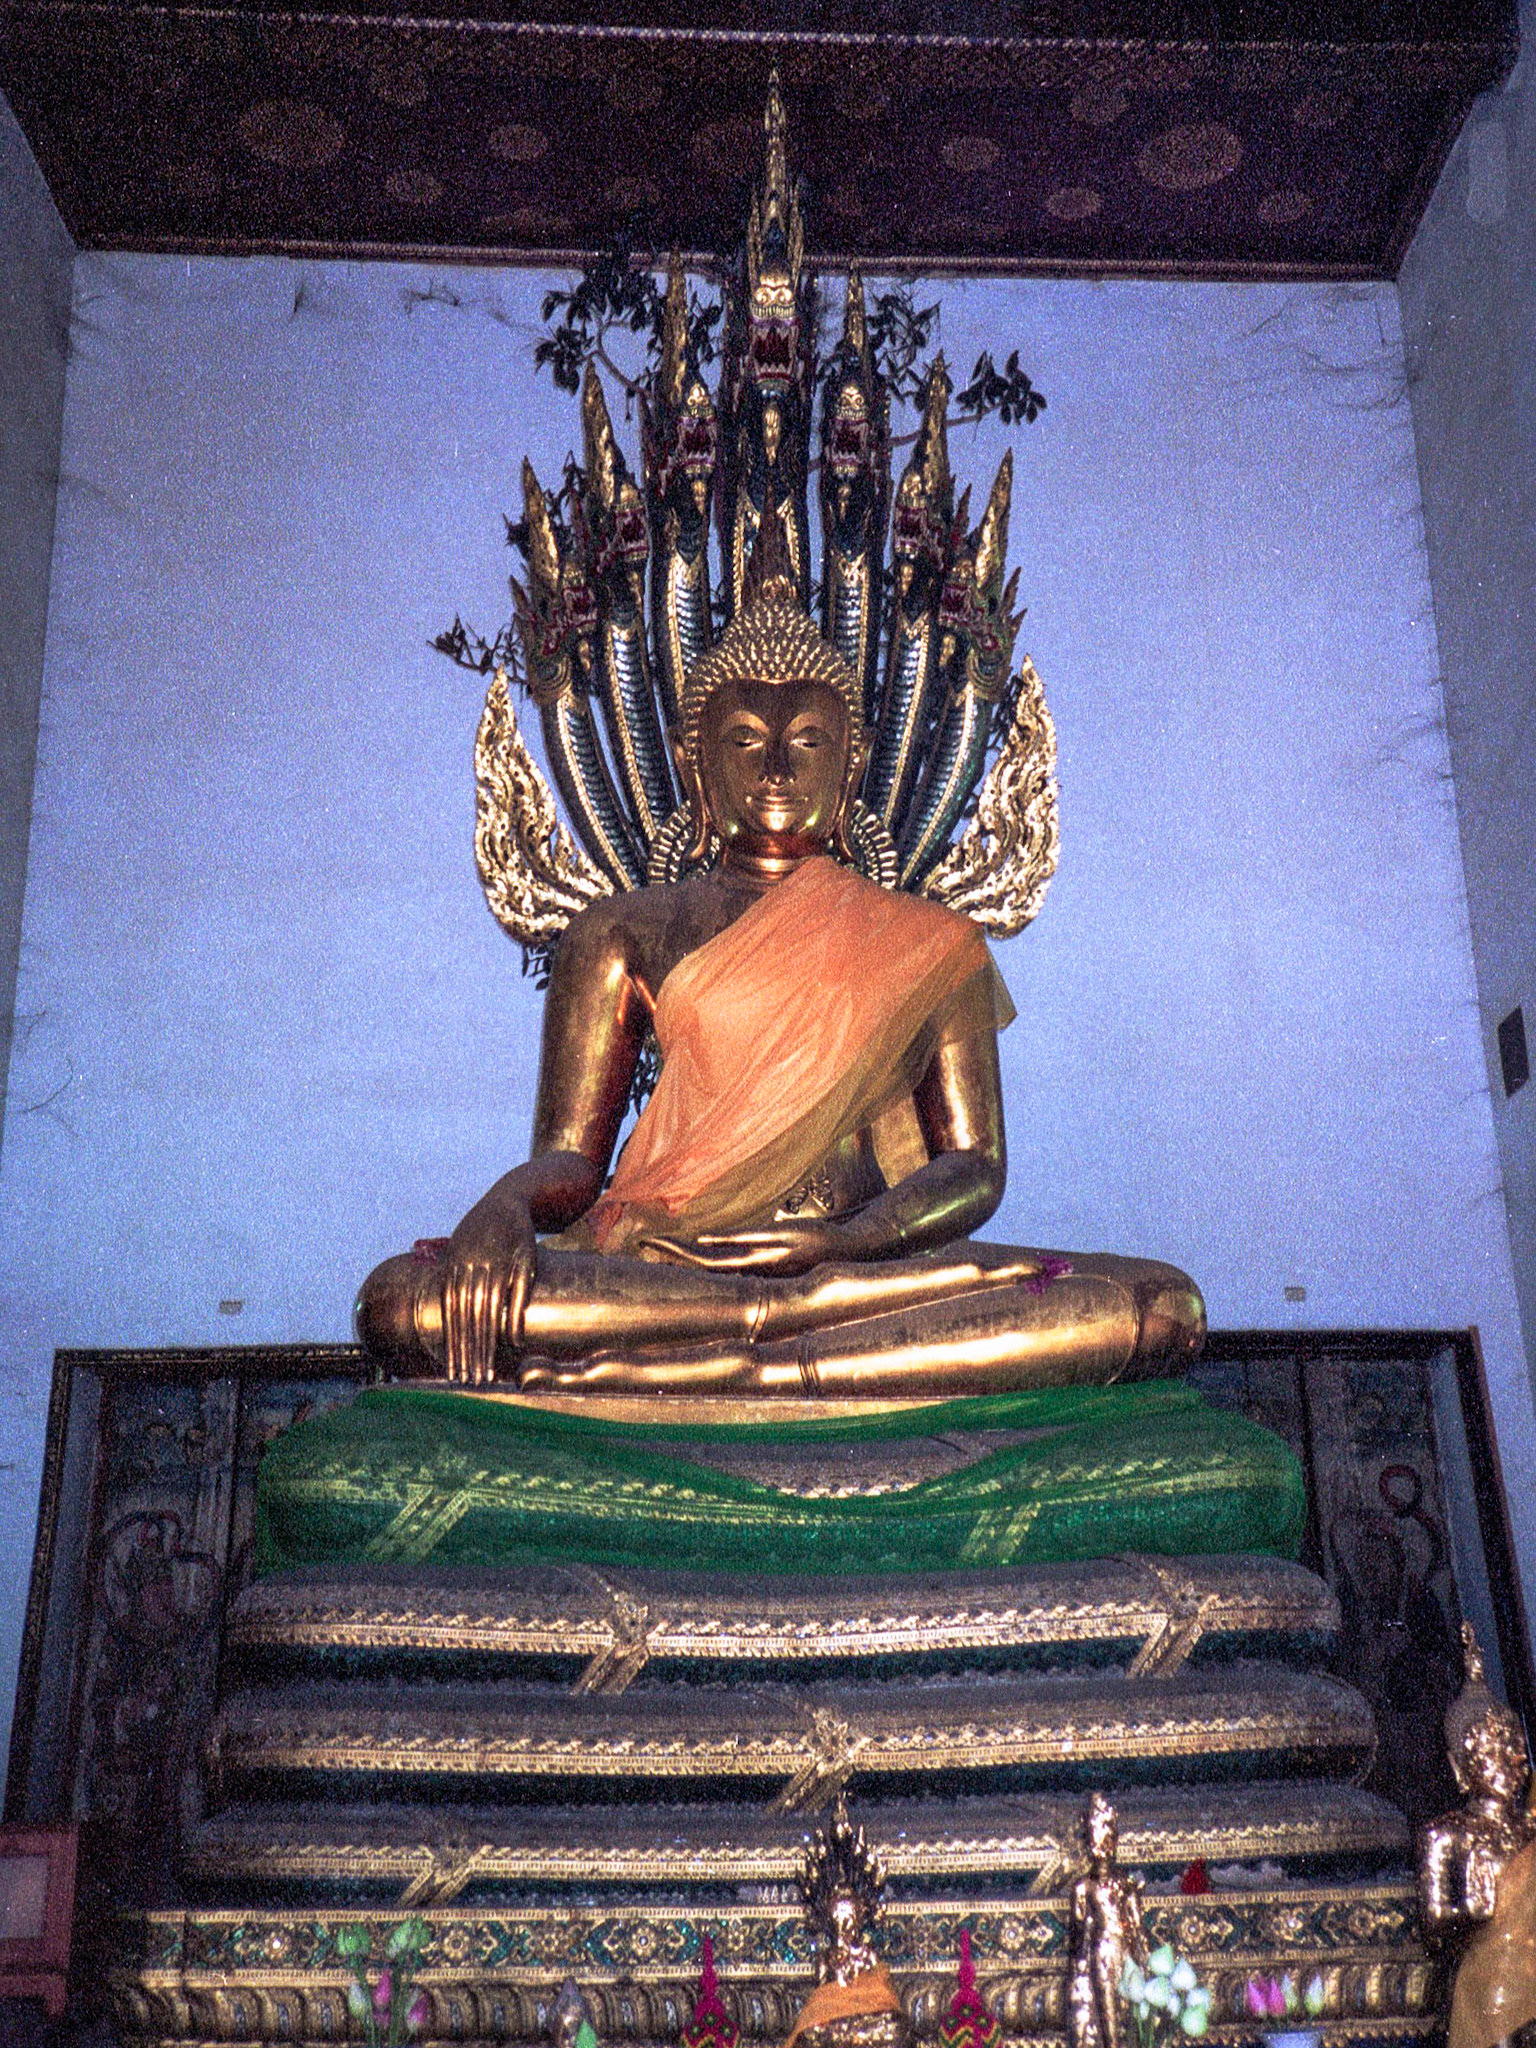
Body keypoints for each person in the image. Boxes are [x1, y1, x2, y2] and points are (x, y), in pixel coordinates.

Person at [355, 538, 1205, 1401]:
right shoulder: (620, 932)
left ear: (852, 762)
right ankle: (777, 1354)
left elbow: (975, 1165)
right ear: (695, 764)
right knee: (405, 1306)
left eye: (806, 741)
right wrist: (502, 1208)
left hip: (860, 1269)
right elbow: (572, 1162)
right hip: (672, 1268)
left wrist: (844, 1246)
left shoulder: (930, 940)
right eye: (744, 740)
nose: (774, 769)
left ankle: (707, 1366)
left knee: (1157, 1305)